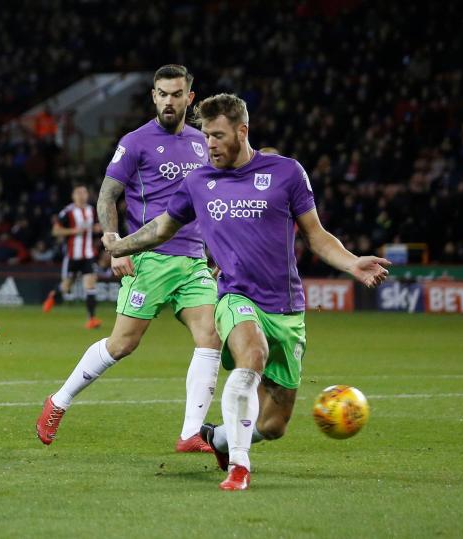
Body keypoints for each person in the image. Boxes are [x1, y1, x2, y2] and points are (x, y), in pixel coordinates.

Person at [103, 93, 390, 490]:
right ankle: (239, 466)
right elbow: (163, 227)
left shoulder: (287, 173)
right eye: (206, 136)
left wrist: (352, 261)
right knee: (251, 355)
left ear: (243, 131)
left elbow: (316, 236)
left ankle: (219, 438)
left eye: (219, 136)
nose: (211, 145)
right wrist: (121, 244)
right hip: (236, 297)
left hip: (286, 308)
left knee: (274, 425)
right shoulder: (199, 181)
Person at [36, 65, 221, 452]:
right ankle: (59, 400)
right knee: (122, 345)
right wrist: (112, 240)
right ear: (153, 96)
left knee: (210, 337)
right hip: (148, 257)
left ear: (190, 98)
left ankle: (190, 432)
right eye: (162, 94)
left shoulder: (204, 142)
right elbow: (107, 195)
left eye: (176, 94)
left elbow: (208, 203)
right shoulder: (136, 142)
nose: (169, 101)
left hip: (193, 261)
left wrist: (216, 251)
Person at [42, 184, 103, 329]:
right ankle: (53, 295)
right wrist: (74, 231)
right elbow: (56, 231)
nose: (82, 195)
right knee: (66, 286)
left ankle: (91, 319)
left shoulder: (91, 210)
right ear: (73, 196)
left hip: (88, 254)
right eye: (79, 193)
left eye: (84, 192)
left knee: (90, 285)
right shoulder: (67, 212)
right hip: (72, 255)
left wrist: (96, 228)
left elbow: (95, 226)